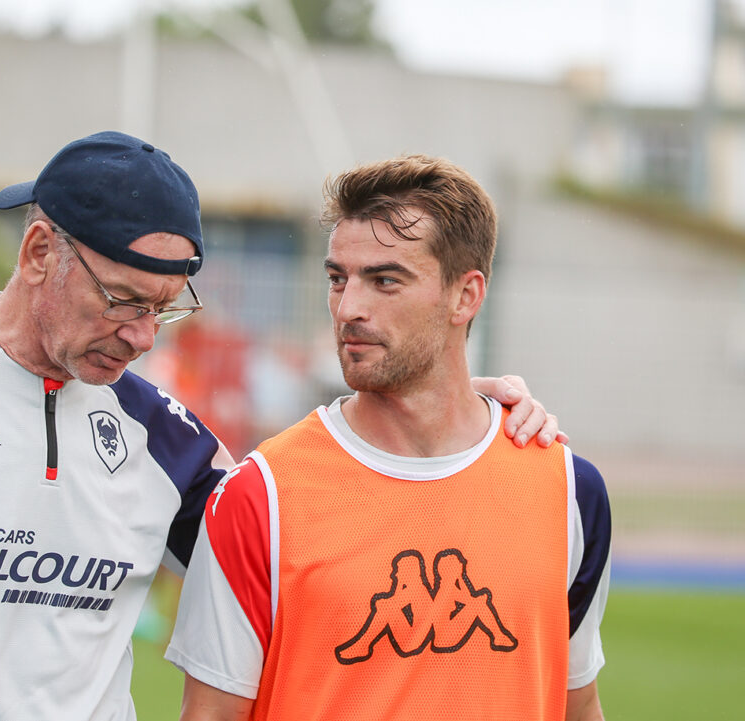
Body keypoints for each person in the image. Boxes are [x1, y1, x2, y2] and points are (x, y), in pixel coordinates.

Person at [0, 132, 561, 721]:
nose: (139, 336)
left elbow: (312, 530)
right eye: (123, 300)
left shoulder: (165, 438)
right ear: (37, 253)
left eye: (161, 312)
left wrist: (453, 416)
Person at [165, 154, 611, 720]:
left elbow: (580, 704)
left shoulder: (569, 491)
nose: (348, 308)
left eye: (385, 280)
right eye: (337, 279)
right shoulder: (259, 497)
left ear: (466, 295)